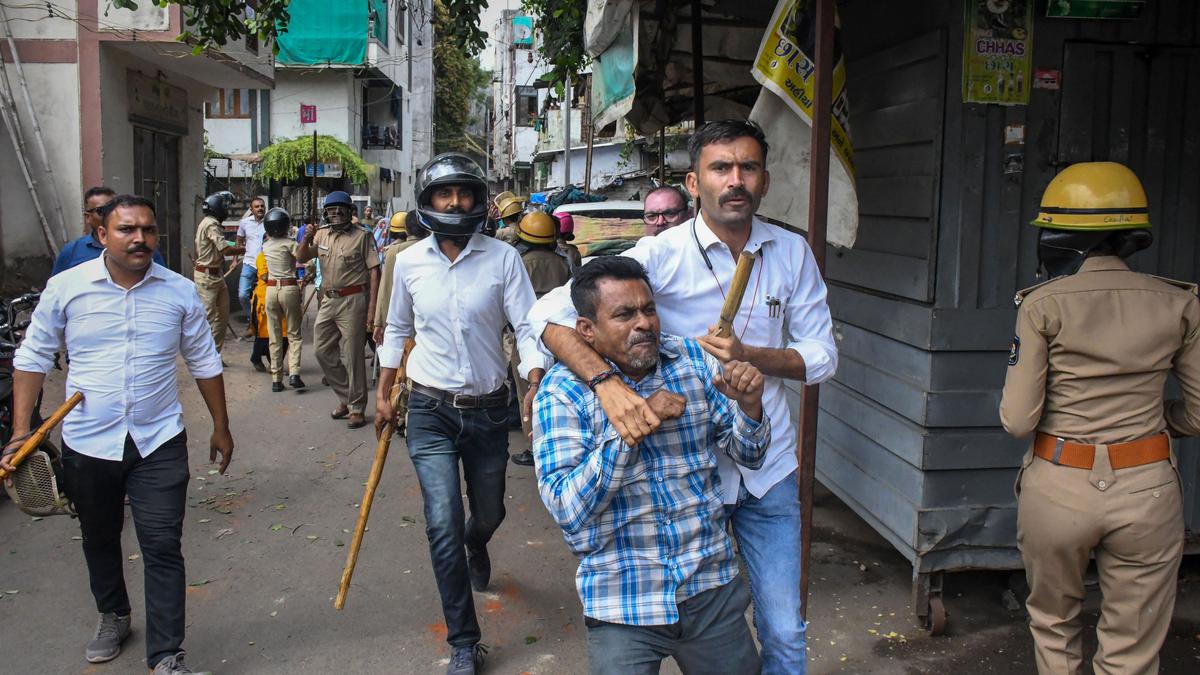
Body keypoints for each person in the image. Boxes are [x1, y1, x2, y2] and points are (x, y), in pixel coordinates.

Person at [528, 119, 837, 675]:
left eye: (748, 168)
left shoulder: (791, 253)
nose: (735, 180)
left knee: (786, 632)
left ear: (765, 181)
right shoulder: (662, 253)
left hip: (762, 459)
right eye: (721, 168)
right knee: (687, 600)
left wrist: (752, 357)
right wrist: (609, 386)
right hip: (685, 469)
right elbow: (545, 317)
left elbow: (823, 357)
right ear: (694, 184)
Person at [1, 194, 233, 675]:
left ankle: (167, 654)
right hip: (88, 441)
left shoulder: (179, 292)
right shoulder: (67, 288)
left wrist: (221, 427)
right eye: (127, 229)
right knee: (99, 535)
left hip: (159, 440)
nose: (140, 238)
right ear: (102, 235)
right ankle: (114, 615)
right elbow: (33, 358)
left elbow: (205, 361)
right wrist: (20, 432)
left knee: (163, 544)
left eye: (148, 230)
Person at [1000, 161, 1200, 675]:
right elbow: (1198, 414)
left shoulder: (1042, 305)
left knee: (1054, 624)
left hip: (1059, 481)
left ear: (1064, 235)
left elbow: (1019, 420)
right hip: (1148, 486)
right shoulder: (1179, 303)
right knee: (1132, 647)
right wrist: (1156, 421)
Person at [534, 256, 768, 675]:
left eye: (649, 310)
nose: (644, 323)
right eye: (624, 314)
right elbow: (568, 510)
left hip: (709, 588)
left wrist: (750, 406)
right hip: (623, 600)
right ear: (587, 330)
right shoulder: (561, 393)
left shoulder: (691, 362)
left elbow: (748, 455)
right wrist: (634, 426)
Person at [375, 153, 550, 675]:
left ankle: (480, 541)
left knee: (488, 512)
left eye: (464, 193)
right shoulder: (407, 263)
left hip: (491, 411)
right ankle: (463, 641)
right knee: (442, 523)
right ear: (427, 203)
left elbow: (527, 326)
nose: (455, 203)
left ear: (478, 200)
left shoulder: (503, 259)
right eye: (443, 194)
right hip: (429, 410)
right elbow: (397, 332)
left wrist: (534, 380)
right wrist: (385, 392)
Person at [297, 191, 380, 429]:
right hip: (328, 299)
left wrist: (373, 307)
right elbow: (302, 257)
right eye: (330, 209)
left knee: (353, 355)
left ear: (348, 211)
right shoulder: (321, 234)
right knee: (321, 350)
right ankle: (346, 396)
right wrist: (306, 238)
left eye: (339, 208)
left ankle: (356, 408)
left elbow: (375, 271)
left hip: (354, 299)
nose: (335, 213)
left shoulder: (363, 236)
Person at [508, 211, 572, 466]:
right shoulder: (562, 261)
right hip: (561, 335)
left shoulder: (519, 262)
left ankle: (535, 448)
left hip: (527, 337)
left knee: (529, 390)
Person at [52, 186, 167, 276]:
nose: (109, 214)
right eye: (101, 211)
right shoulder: (72, 251)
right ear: (88, 217)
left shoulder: (142, 249)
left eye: (114, 208)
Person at [193, 191, 243, 354]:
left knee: (221, 318)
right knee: (208, 319)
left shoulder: (208, 223)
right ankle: (200, 356)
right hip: (207, 277)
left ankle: (213, 355)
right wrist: (244, 249)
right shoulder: (211, 224)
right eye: (224, 207)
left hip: (216, 275)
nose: (226, 210)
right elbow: (226, 249)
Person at [261, 208, 305, 391]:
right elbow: (304, 259)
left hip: (271, 289)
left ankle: (276, 379)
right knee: (294, 334)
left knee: (275, 336)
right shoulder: (290, 244)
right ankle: (294, 373)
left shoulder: (266, 245)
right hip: (289, 287)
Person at [372, 211, 430, 345]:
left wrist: (379, 322)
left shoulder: (394, 251)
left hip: (399, 319)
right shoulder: (436, 249)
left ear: (407, 230)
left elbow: (385, 288)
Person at [236, 197, 268, 331]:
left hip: (266, 265)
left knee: (266, 297)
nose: (260, 208)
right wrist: (234, 260)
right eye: (257, 206)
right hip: (249, 264)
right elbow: (239, 241)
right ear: (251, 209)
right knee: (242, 295)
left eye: (262, 206)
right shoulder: (244, 223)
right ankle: (251, 319)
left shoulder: (270, 222)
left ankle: (263, 323)